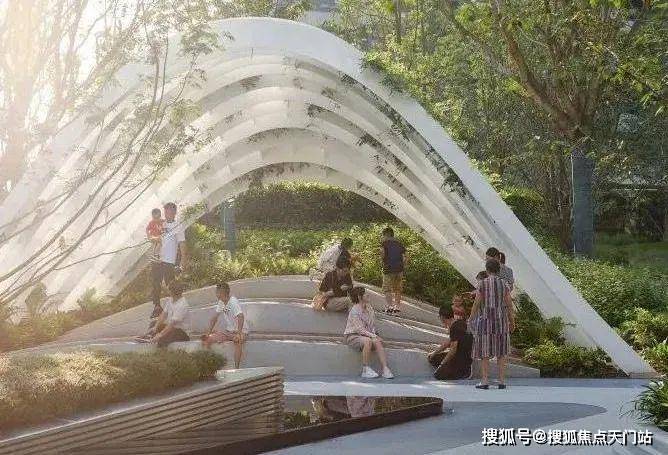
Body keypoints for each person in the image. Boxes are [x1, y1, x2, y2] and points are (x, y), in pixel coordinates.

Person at [468, 259, 515, 389]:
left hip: (485, 321)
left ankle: (484, 381)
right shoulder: (504, 284)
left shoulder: (482, 284)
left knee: (485, 352)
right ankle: (501, 381)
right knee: (501, 352)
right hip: (501, 321)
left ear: (487, 270)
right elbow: (509, 305)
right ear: (498, 270)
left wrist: (471, 318)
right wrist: (512, 321)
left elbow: (476, 303)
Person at [149, 202, 187, 329]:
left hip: (169, 261)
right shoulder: (162, 224)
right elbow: (158, 239)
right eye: (166, 211)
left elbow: (182, 244)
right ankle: (157, 306)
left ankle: (176, 309)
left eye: (170, 211)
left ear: (174, 212)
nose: (167, 214)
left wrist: (183, 262)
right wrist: (152, 239)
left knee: (171, 285)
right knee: (155, 283)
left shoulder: (178, 226)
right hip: (157, 258)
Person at [344, 286, 394, 379]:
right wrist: (373, 336)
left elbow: (372, 325)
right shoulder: (354, 311)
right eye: (365, 293)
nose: (368, 295)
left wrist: (374, 335)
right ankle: (365, 370)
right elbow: (359, 330)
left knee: (376, 341)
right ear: (359, 297)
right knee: (368, 341)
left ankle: (385, 369)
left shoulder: (369, 308)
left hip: (366, 335)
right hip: (352, 336)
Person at [201, 282, 248, 368]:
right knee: (208, 339)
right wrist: (208, 333)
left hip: (242, 331)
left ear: (222, 292)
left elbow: (241, 316)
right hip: (228, 332)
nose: (216, 294)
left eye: (217, 292)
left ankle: (236, 369)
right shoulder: (221, 302)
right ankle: (209, 366)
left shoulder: (233, 301)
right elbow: (214, 318)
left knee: (238, 341)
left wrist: (239, 333)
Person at [427, 306, 473, 380]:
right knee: (433, 358)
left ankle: (462, 373)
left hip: (462, 360)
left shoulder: (455, 327)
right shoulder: (459, 322)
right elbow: (448, 343)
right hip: (460, 355)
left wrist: (442, 364)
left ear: (442, 317)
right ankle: (449, 368)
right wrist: (434, 353)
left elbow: (453, 350)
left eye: (439, 317)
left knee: (438, 375)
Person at [150, 281, 191, 348]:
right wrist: (155, 327)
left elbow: (172, 324)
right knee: (153, 323)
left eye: (169, 289)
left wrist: (160, 334)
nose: (168, 291)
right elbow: (163, 315)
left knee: (165, 336)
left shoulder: (182, 305)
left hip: (181, 333)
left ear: (172, 291)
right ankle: (151, 338)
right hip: (172, 328)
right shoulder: (170, 300)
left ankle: (160, 347)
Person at [380, 227, 406, 314]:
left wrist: (382, 261)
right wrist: (402, 266)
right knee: (397, 289)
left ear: (386, 234)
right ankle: (397, 307)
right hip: (399, 269)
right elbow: (405, 257)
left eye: (383, 235)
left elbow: (382, 254)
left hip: (388, 268)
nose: (383, 237)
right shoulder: (399, 243)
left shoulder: (384, 243)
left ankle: (390, 306)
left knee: (387, 288)